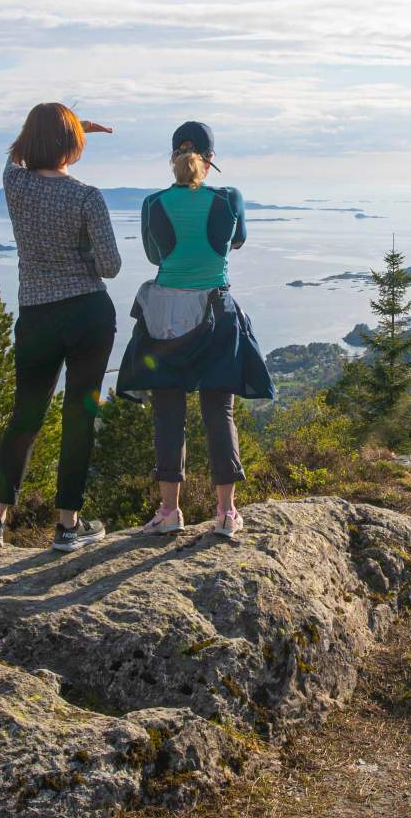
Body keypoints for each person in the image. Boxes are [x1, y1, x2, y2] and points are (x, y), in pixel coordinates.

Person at [0, 103, 122, 552]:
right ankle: (68, 527)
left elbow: (15, 155)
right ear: (73, 144)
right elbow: (111, 267)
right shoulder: (87, 197)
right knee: (79, 418)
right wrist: (81, 260)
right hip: (88, 314)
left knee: (26, 416)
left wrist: (62, 130)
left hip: (36, 315)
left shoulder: (14, 184)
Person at [117, 121, 275, 539]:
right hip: (214, 312)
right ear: (210, 160)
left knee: (168, 414)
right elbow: (236, 242)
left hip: (163, 315)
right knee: (218, 412)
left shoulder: (153, 203)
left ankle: (169, 511)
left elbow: (155, 254)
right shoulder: (228, 199)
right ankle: (226, 513)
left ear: (173, 159)